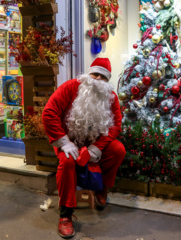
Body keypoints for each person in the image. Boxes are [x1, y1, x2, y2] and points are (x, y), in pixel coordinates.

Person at [42, 57, 126, 238]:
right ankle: (65, 215)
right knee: (67, 162)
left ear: (107, 81)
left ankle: (101, 189)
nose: (97, 80)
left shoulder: (110, 97)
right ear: (88, 74)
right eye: (95, 74)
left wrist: (97, 148)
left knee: (118, 150)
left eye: (103, 77)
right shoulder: (71, 87)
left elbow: (116, 126)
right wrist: (64, 142)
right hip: (68, 142)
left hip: (94, 143)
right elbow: (49, 112)